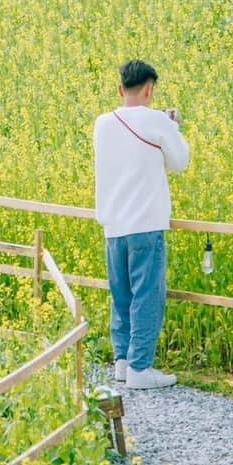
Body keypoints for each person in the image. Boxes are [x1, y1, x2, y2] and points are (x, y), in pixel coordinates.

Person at [94, 60, 189, 389]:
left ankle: (122, 362)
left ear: (120, 89)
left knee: (120, 295)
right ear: (149, 89)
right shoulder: (157, 121)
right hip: (145, 224)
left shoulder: (102, 124)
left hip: (113, 224)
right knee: (147, 296)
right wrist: (173, 127)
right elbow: (180, 162)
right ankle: (140, 368)